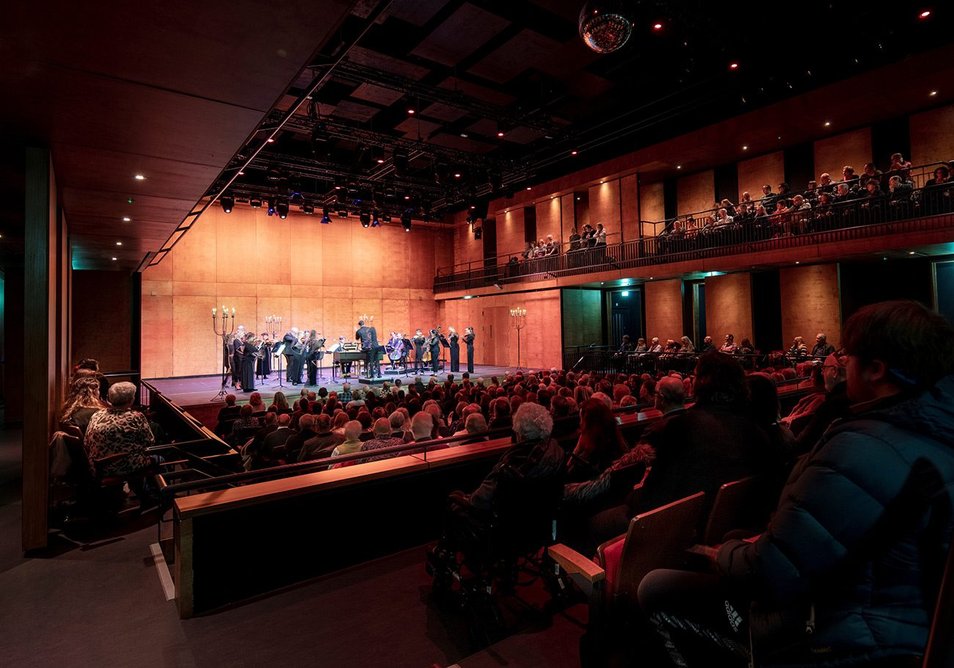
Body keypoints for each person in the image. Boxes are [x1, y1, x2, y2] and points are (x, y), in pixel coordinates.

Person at [639, 301, 954, 668]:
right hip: (895, 622)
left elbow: (772, 572)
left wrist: (723, 553)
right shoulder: (933, 433)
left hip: (838, 637)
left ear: (877, 370)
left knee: (656, 587)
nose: (839, 363)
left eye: (847, 356)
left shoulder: (861, 450)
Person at [83, 381, 159, 508]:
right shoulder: (135, 416)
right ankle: (156, 495)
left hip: (97, 465)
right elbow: (149, 441)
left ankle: (145, 494)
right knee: (158, 458)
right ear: (131, 400)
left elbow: (86, 441)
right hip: (120, 465)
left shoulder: (97, 414)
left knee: (137, 457)